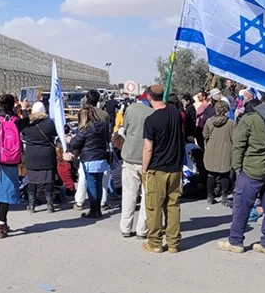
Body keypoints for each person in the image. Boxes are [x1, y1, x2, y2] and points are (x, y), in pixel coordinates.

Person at [217, 94, 265, 257]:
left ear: (263, 102)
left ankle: (235, 241)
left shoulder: (250, 119)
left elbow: (238, 146)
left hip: (251, 169)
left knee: (241, 207)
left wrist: (237, 168)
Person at [141, 85, 184, 254]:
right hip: (175, 167)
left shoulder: (151, 120)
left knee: (154, 207)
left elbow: (148, 148)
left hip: (157, 168)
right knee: (173, 205)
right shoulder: (176, 114)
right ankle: (173, 243)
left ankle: (155, 242)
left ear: (149, 98)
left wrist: (144, 169)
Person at [67, 100, 111, 219]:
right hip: (101, 158)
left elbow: (75, 143)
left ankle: (94, 210)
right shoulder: (102, 126)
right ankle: (98, 209)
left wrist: (69, 140)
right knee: (99, 185)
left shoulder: (85, 130)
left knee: (91, 186)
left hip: (89, 159)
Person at [0, 94, 23, 239]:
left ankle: (2, 223)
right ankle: (2, 223)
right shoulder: (17, 121)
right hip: (12, 160)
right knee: (7, 194)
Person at [119, 91, 153, 239]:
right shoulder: (153, 113)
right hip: (147, 159)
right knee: (146, 195)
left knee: (129, 194)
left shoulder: (130, 109)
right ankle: (142, 230)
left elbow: (124, 130)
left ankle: (126, 228)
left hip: (130, 156)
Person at [21, 101, 60, 213]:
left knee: (32, 181)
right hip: (47, 154)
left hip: (32, 155)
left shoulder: (28, 122)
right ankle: (49, 205)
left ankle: (31, 205)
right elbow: (55, 134)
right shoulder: (49, 123)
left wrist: (24, 110)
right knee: (48, 180)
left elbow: (23, 129)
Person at [203, 100, 233, 206]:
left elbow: (205, 135)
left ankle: (210, 196)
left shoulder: (209, 121)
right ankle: (224, 197)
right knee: (225, 174)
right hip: (226, 150)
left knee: (211, 174)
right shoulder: (231, 123)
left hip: (211, 149)